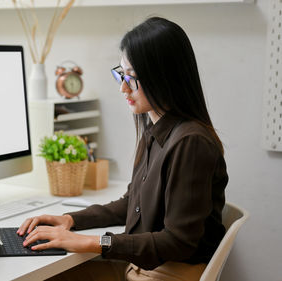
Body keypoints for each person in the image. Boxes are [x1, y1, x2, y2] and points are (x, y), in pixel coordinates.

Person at [18, 16, 228, 281]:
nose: (122, 87)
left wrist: (93, 242)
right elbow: (132, 203)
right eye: (121, 74)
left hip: (167, 273)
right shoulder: (156, 129)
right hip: (142, 267)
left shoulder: (191, 143)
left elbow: (178, 242)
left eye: (133, 78)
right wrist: (71, 220)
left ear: (164, 79)